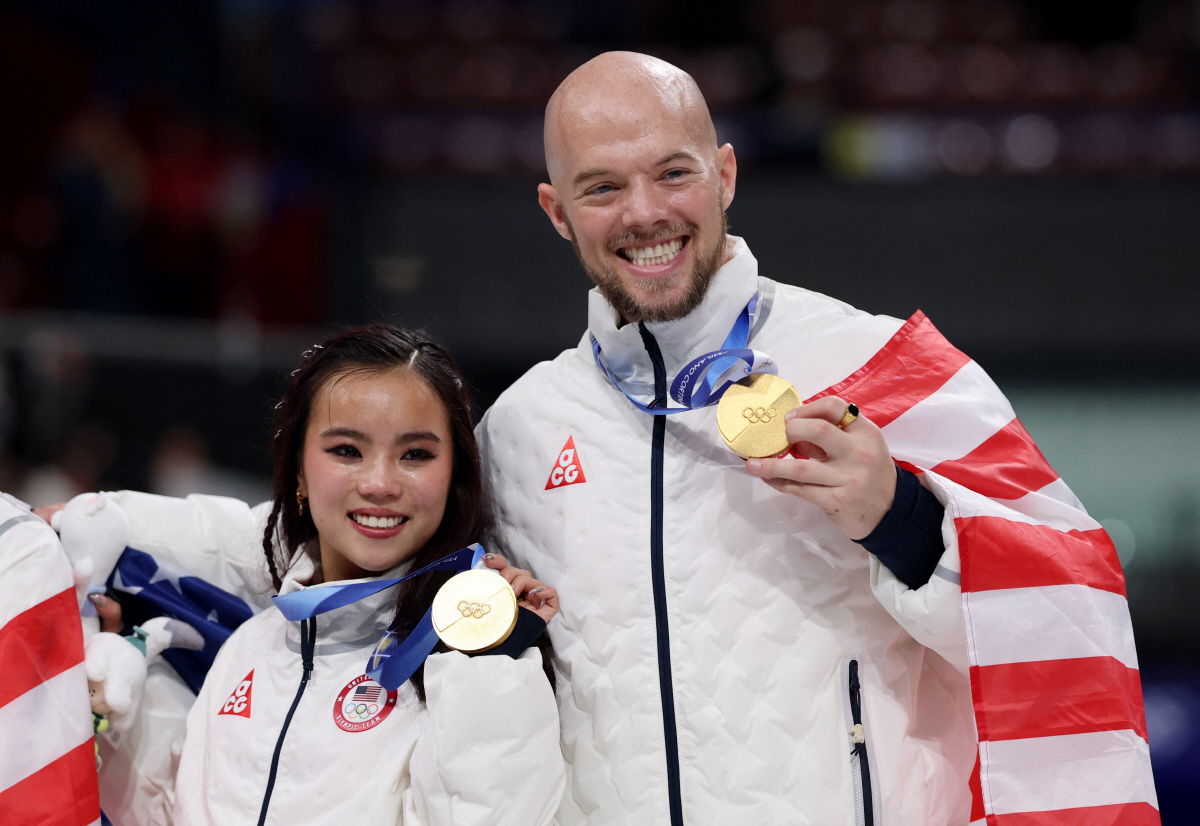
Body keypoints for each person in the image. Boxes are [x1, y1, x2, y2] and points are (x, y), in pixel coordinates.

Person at [43, 53, 1154, 825]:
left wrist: (902, 516)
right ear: (554, 210)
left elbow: (1077, 608)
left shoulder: (881, 368)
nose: (646, 213)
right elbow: (338, 544)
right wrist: (82, 552)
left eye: (673, 172)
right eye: (602, 186)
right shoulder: (523, 428)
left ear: (722, 172)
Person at [63, 325, 566, 825]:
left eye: (416, 454)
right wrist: (120, 721)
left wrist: (486, 665)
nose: (379, 483)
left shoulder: (471, 663)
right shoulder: (250, 646)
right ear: (299, 469)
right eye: (347, 450)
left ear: (454, 474)